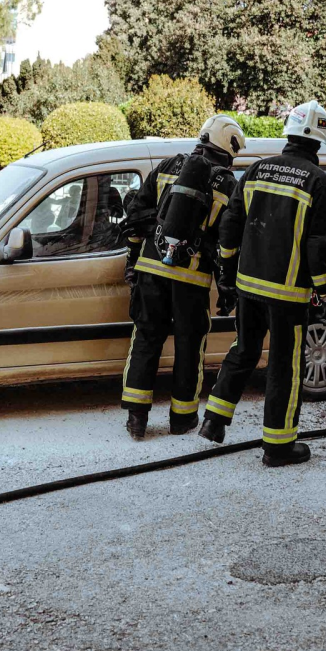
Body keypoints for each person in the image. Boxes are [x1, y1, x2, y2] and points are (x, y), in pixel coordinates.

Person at [197, 100, 326, 467]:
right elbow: (318, 249)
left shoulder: (257, 170)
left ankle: (214, 420)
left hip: (248, 286)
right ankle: (278, 446)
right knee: (284, 367)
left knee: (244, 350)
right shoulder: (320, 183)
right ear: (320, 140)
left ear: (289, 133)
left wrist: (227, 271)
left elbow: (230, 225)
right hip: (288, 296)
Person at [118, 115, 246, 439]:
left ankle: (136, 418)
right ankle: (183, 417)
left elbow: (136, 215)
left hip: (151, 269)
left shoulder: (167, 166)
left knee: (146, 339)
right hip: (191, 280)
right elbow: (228, 241)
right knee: (190, 346)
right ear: (228, 149)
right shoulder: (228, 185)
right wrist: (227, 285)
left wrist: (132, 259)